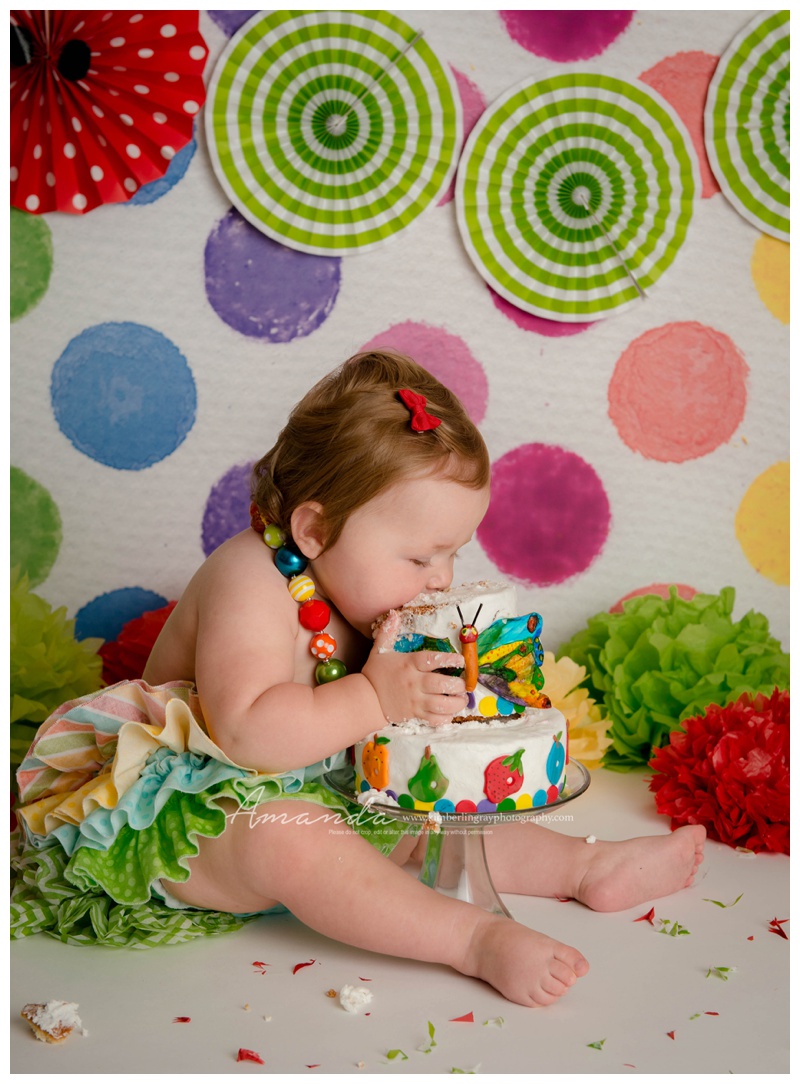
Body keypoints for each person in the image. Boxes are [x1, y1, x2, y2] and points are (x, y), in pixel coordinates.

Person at [13, 351, 704, 1007]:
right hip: (177, 818)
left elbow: (369, 734)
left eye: (452, 555)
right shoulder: (249, 579)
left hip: (308, 792)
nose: (440, 579)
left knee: (420, 809)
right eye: (420, 556)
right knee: (293, 835)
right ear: (314, 529)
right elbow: (247, 730)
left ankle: (585, 868)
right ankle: (471, 936)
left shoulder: (363, 597)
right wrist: (376, 693)